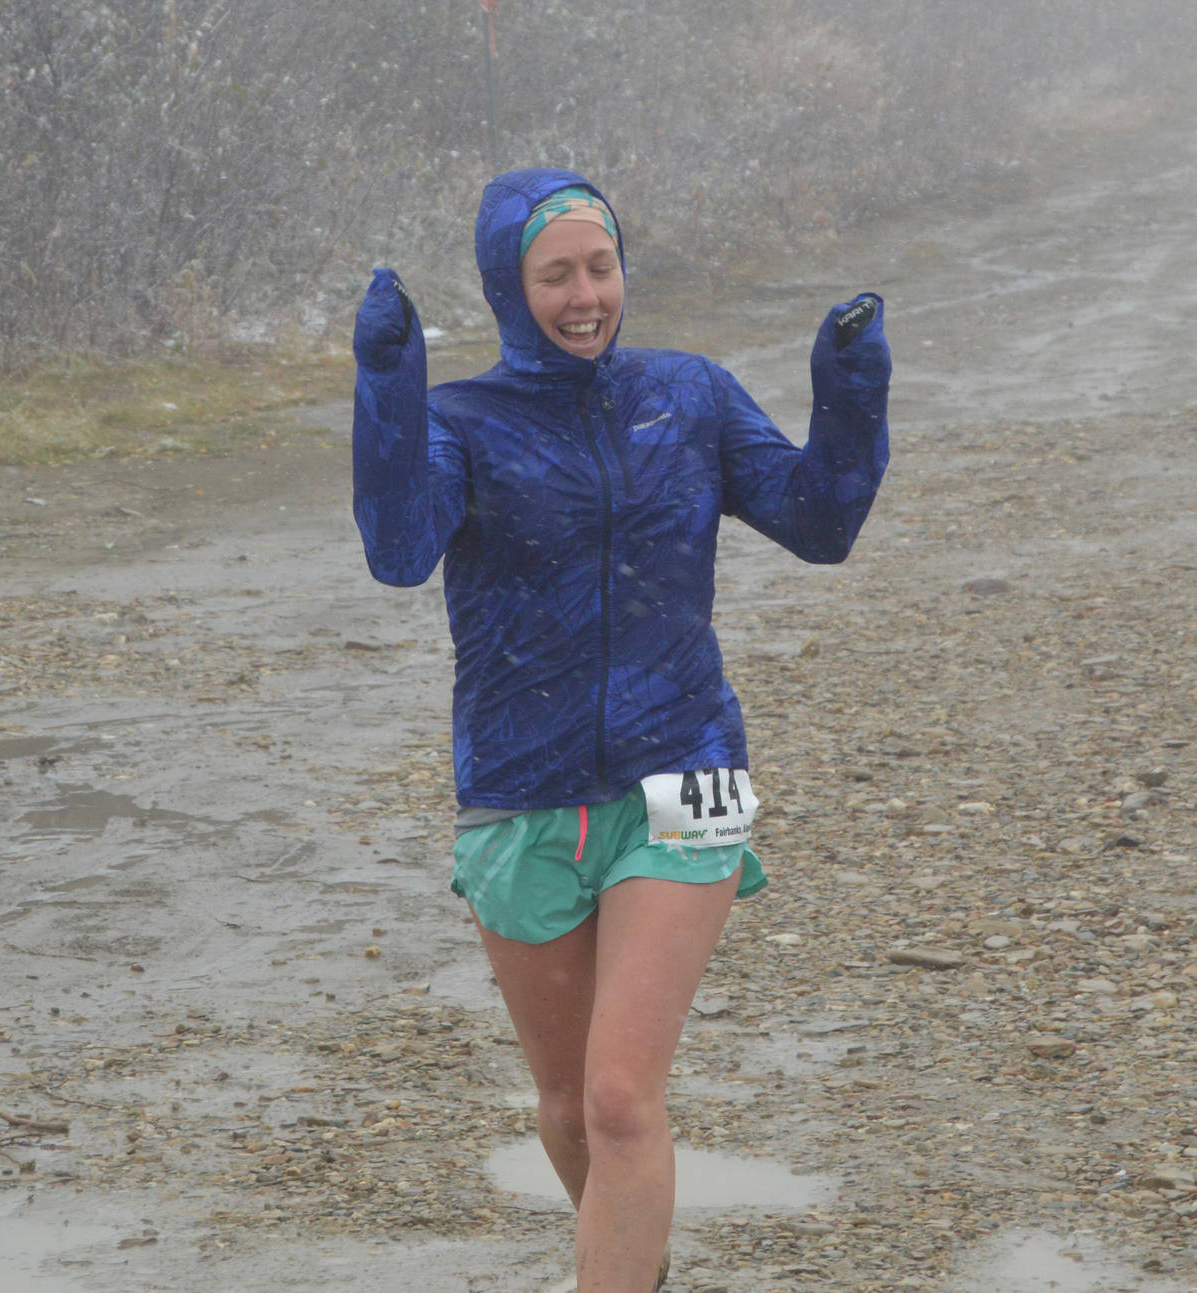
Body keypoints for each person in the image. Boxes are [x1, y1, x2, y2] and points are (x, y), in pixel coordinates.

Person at [350, 167, 890, 1291]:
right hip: (519, 786)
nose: (585, 294)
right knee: (564, 1109)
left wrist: (848, 392)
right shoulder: (463, 424)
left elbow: (819, 523)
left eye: (601, 267)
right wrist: (389, 390)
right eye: (556, 274)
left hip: (682, 771)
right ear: (511, 287)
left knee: (616, 1097)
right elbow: (399, 551)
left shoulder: (686, 397)